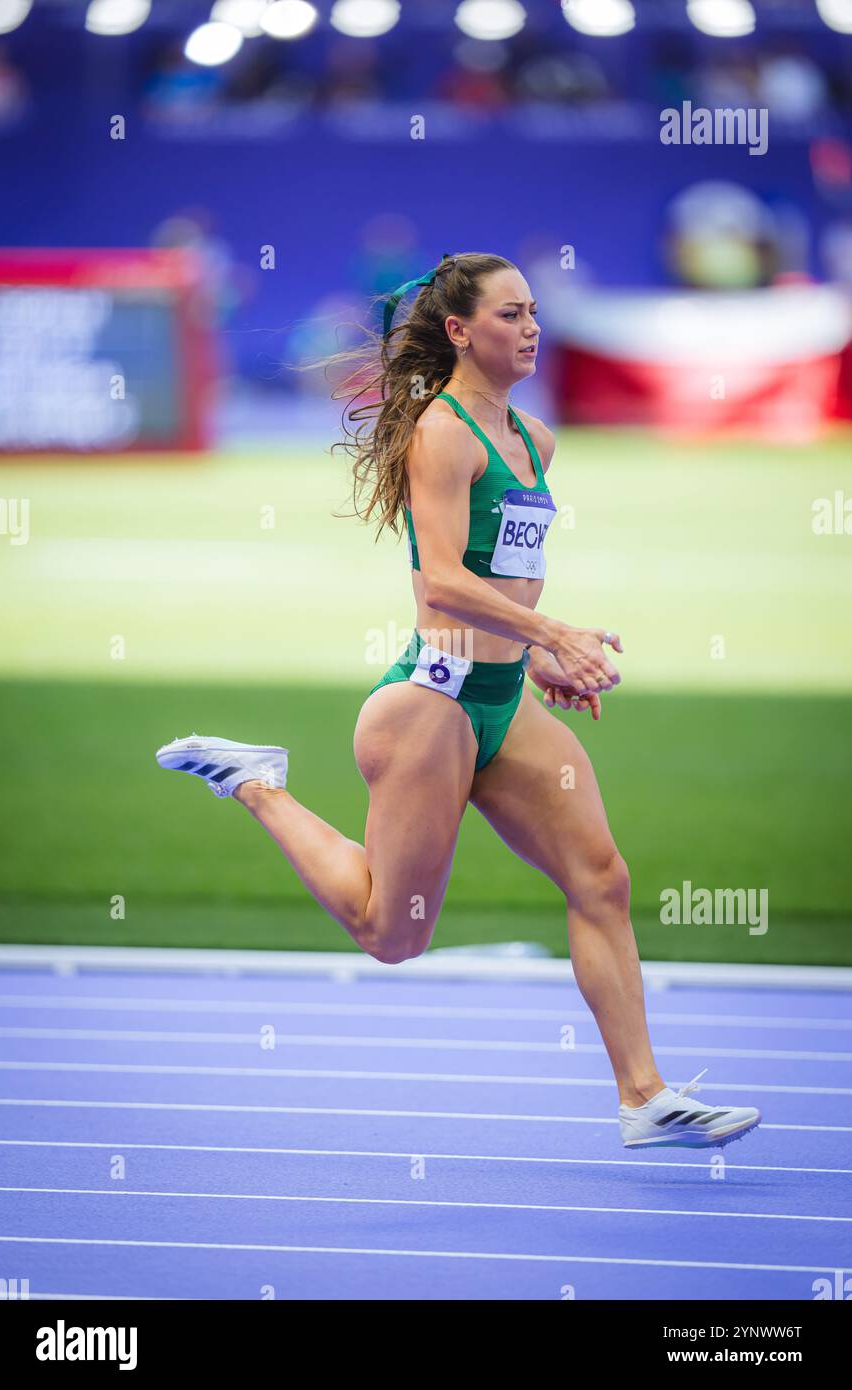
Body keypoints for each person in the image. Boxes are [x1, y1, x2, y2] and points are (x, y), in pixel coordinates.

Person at [156, 252, 761, 1151]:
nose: (530, 329)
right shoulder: (438, 434)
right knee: (391, 935)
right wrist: (557, 634)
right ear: (460, 331)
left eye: (533, 314)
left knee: (603, 879)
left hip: (505, 698)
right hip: (428, 706)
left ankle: (644, 1096)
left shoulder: (535, 439)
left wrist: (534, 650)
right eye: (510, 314)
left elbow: (509, 572)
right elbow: (440, 581)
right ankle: (258, 784)